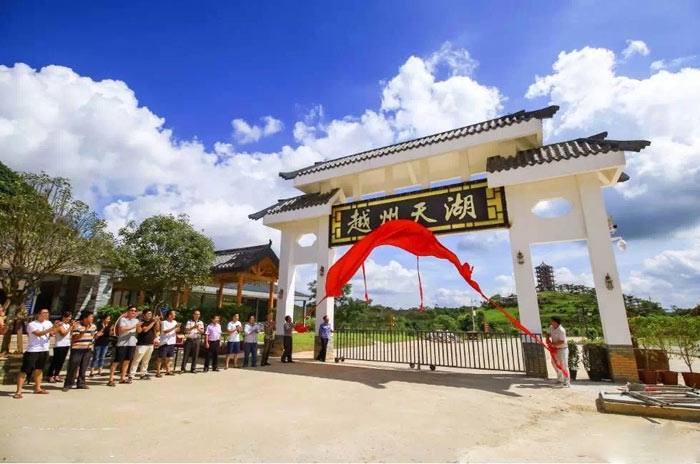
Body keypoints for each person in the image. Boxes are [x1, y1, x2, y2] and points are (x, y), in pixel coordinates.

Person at [14, 308, 55, 399]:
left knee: (39, 369)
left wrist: (56, 328)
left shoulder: (48, 323)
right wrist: (51, 329)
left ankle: (37, 388)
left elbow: (51, 333)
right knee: (24, 370)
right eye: (44, 313)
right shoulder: (32, 324)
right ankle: (18, 391)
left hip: (44, 349)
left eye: (48, 312)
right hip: (33, 350)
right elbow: (38, 333)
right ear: (38, 314)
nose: (47, 314)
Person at [62, 311, 100, 391]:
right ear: (85, 318)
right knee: (73, 367)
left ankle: (81, 383)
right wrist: (84, 331)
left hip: (88, 349)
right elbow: (74, 339)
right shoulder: (77, 326)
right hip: (77, 349)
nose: (92, 318)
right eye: (91, 317)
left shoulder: (93, 326)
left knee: (84, 367)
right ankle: (68, 384)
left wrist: (97, 335)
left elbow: (93, 336)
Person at [107, 306, 139, 387]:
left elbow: (139, 331)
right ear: (128, 311)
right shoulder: (123, 319)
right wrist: (134, 326)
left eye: (135, 311)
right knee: (117, 361)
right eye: (132, 310)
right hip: (122, 344)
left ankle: (122, 378)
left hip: (132, 343)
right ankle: (110, 379)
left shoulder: (136, 321)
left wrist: (139, 327)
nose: (133, 312)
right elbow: (122, 329)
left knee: (127, 361)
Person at [131, 309, 159, 380]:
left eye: (150, 314)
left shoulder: (151, 322)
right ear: (144, 314)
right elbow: (145, 330)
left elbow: (157, 329)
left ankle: (143, 373)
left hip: (150, 343)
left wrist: (157, 321)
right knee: (137, 360)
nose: (150, 315)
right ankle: (131, 374)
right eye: (148, 313)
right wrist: (153, 322)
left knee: (146, 360)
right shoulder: (141, 322)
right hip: (142, 344)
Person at [47, 311, 75, 383]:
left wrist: (72, 326)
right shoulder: (59, 324)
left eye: (70, 317)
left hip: (66, 344)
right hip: (59, 345)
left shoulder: (68, 325)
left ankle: (56, 375)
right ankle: (50, 375)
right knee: (55, 361)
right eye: (68, 317)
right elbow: (63, 333)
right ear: (64, 317)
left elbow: (70, 333)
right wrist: (70, 327)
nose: (69, 319)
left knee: (61, 361)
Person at [546, 316, 570, 388]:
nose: (550, 322)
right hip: (555, 349)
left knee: (564, 364)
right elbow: (548, 334)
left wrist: (553, 345)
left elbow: (562, 341)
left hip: (562, 349)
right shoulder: (551, 327)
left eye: (552, 321)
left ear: (555, 322)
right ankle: (560, 379)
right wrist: (547, 339)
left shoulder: (561, 330)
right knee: (554, 363)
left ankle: (567, 381)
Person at [156, 310, 180, 377]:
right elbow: (165, 331)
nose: (175, 315)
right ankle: (158, 372)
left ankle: (168, 370)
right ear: (169, 315)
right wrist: (174, 327)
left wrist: (178, 327)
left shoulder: (174, 322)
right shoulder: (164, 322)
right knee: (160, 357)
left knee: (168, 357)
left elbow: (177, 330)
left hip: (172, 342)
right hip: (165, 342)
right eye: (174, 314)